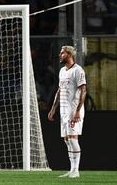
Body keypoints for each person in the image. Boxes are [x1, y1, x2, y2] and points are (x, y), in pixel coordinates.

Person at [48, 46, 87, 178]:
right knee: (66, 139)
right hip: (64, 110)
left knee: (73, 138)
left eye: (62, 53)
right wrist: (53, 108)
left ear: (69, 54)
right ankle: (72, 169)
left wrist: (77, 111)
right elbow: (60, 90)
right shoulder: (62, 71)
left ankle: (76, 170)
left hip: (73, 110)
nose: (60, 55)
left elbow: (83, 90)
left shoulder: (78, 70)